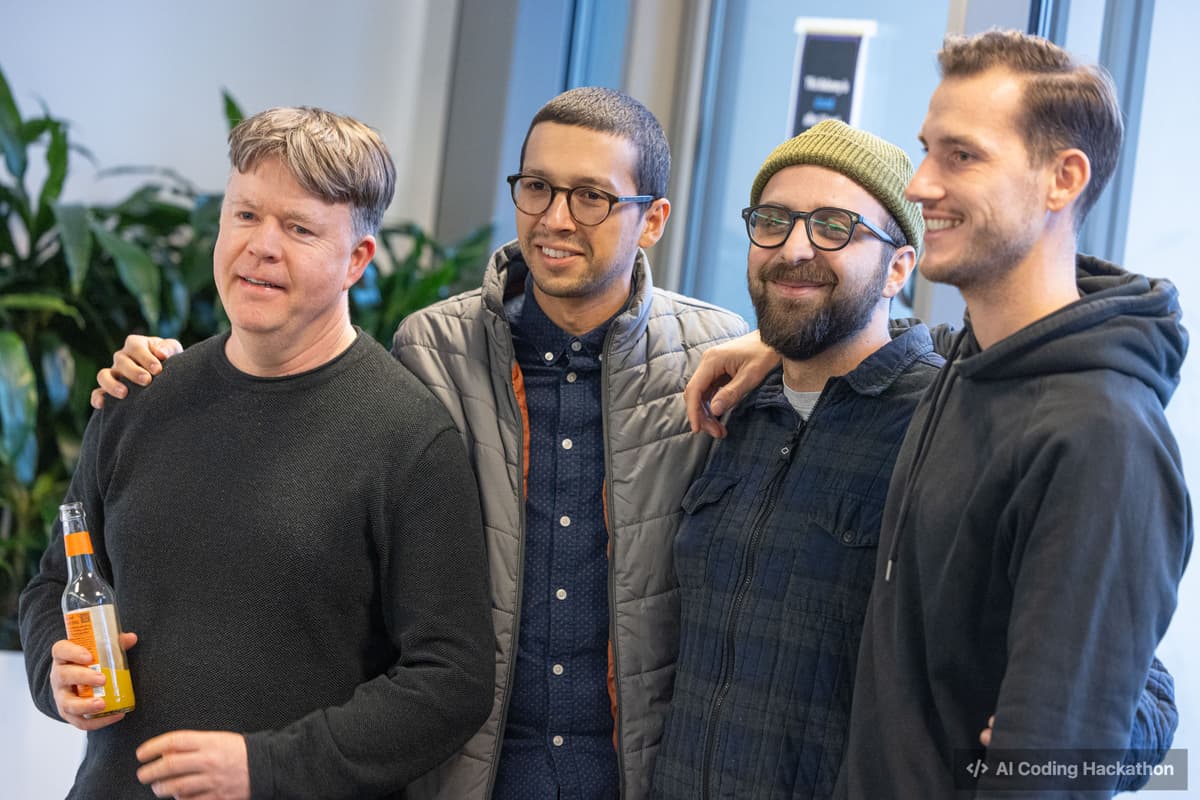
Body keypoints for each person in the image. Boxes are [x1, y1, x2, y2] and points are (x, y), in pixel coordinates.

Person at [89, 88, 749, 800]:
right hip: (474, 777)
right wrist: (158, 376)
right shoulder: (436, 348)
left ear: (652, 220)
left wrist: (781, 348)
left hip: (637, 774)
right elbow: (65, 579)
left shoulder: (719, 360)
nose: (557, 217)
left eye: (591, 196)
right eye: (537, 188)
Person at [686, 30, 1190, 797]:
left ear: (1064, 179)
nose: (922, 184)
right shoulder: (969, 374)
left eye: (962, 156)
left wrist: (1068, 742)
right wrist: (784, 343)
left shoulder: (1102, 436)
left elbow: (1084, 736)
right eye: (928, 150)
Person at [20, 106, 494, 800]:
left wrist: (267, 767)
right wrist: (53, 674)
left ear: (357, 260)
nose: (261, 247)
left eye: (299, 228)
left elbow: (452, 681)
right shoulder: (139, 396)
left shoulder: (409, 439)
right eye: (245, 215)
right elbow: (52, 583)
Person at [651, 121, 940, 799]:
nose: (795, 248)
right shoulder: (731, 409)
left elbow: (1125, 702)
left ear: (899, 267)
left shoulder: (942, 425)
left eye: (835, 226)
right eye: (773, 221)